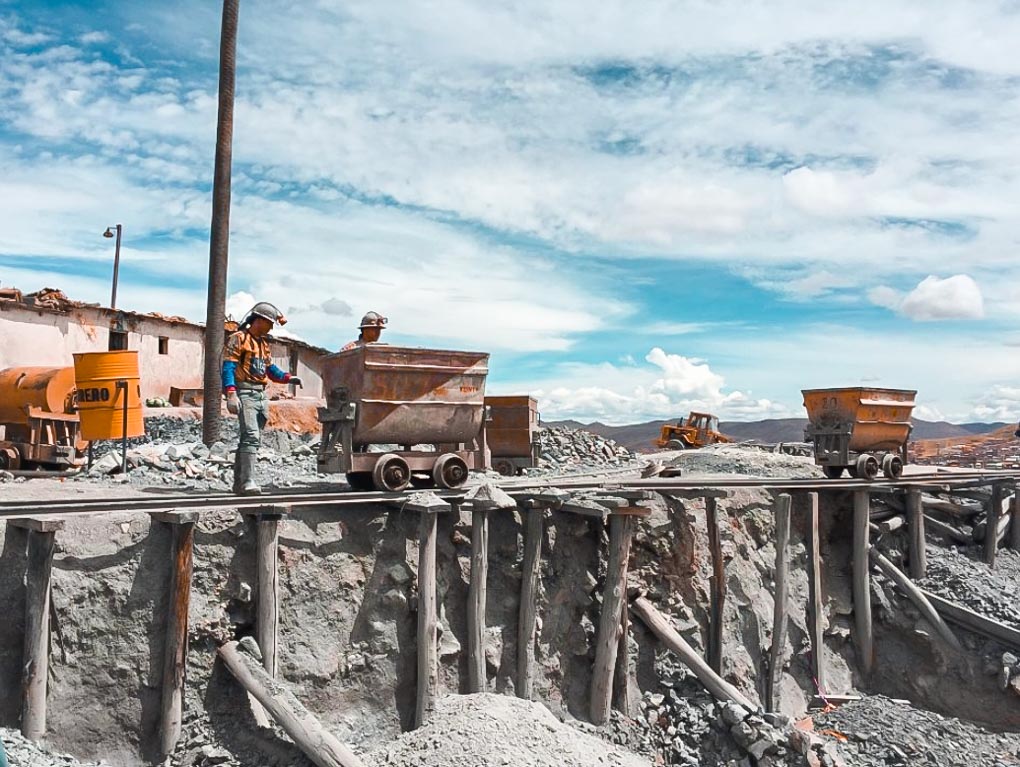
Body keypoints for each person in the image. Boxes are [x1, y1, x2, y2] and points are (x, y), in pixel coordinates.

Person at [222, 301, 302, 495]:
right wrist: (231, 393)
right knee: (251, 436)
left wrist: (287, 378)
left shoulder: (263, 344)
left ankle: (239, 484)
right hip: (245, 392)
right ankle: (248, 481)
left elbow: (270, 369)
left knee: (249, 439)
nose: (271, 327)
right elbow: (228, 367)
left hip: (260, 394)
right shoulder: (238, 338)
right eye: (269, 323)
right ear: (259, 320)